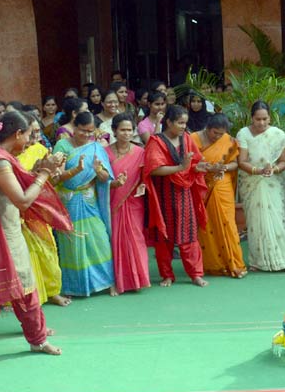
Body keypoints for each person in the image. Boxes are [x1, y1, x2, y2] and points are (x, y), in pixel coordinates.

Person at [0, 111, 71, 374]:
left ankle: (37, 339)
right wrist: (43, 174)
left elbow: (16, 186)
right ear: (17, 133)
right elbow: (21, 199)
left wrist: (42, 168)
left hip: (10, 233)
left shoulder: (0, 156)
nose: (32, 139)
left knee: (27, 290)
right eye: (30, 134)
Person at [143, 105, 210, 287]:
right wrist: (181, 168)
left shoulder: (186, 138)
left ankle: (195, 274)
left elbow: (194, 163)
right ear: (169, 122)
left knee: (189, 234)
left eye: (185, 123)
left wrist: (200, 167)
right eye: (180, 123)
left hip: (185, 195)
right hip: (163, 196)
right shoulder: (156, 141)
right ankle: (167, 275)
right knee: (163, 237)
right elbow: (154, 170)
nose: (183, 126)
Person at [53, 111, 115, 297]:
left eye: (90, 131)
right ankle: (73, 286)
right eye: (83, 131)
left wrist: (98, 170)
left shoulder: (96, 148)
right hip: (69, 200)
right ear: (74, 127)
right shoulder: (62, 145)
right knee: (72, 242)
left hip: (89, 199)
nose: (87, 135)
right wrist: (77, 169)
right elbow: (57, 177)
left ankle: (106, 282)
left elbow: (105, 178)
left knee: (99, 238)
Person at [236, 101, 285, 273]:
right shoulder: (244, 134)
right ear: (252, 117)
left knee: (277, 220)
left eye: (265, 119)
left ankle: (284, 260)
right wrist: (258, 171)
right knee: (255, 222)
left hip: (272, 183)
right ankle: (257, 261)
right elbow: (242, 161)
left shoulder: (277, 134)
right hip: (251, 183)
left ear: (270, 117)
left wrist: (274, 170)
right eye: (258, 119)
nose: (261, 123)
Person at [16, 116, 69, 307]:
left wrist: (53, 172)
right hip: (19, 209)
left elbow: (52, 182)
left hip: (40, 208)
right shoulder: (12, 154)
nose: (37, 136)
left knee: (48, 251)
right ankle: (30, 297)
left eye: (38, 132)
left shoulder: (41, 150)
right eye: (33, 132)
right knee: (27, 255)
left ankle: (53, 291)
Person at [192, 113, 247, 279]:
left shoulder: (228, 141)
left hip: (222, 184)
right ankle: (212, 264)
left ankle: (234, 263)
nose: (217, 137)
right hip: (201, 185)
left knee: (227, 222)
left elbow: (235, 163)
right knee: (206, 225)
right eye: (214, 133)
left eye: (220, 134)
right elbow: (190, 164)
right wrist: (207, 168)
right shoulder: (193, 139)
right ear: (207, 128)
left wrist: (223, 167)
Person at [105, 113, 152, 293]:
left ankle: (139, 278)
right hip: (112, 201)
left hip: (133, 202)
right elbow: (100, 179)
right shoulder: (105, 152)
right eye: (122, 130)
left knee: (135, 239)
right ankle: (117, 281)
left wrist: (143, 185)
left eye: (129, 130)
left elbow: (145, 177)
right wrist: (114, 183)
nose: (126, 133)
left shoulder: (140, 152)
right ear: (115, 131)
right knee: (115, 240)